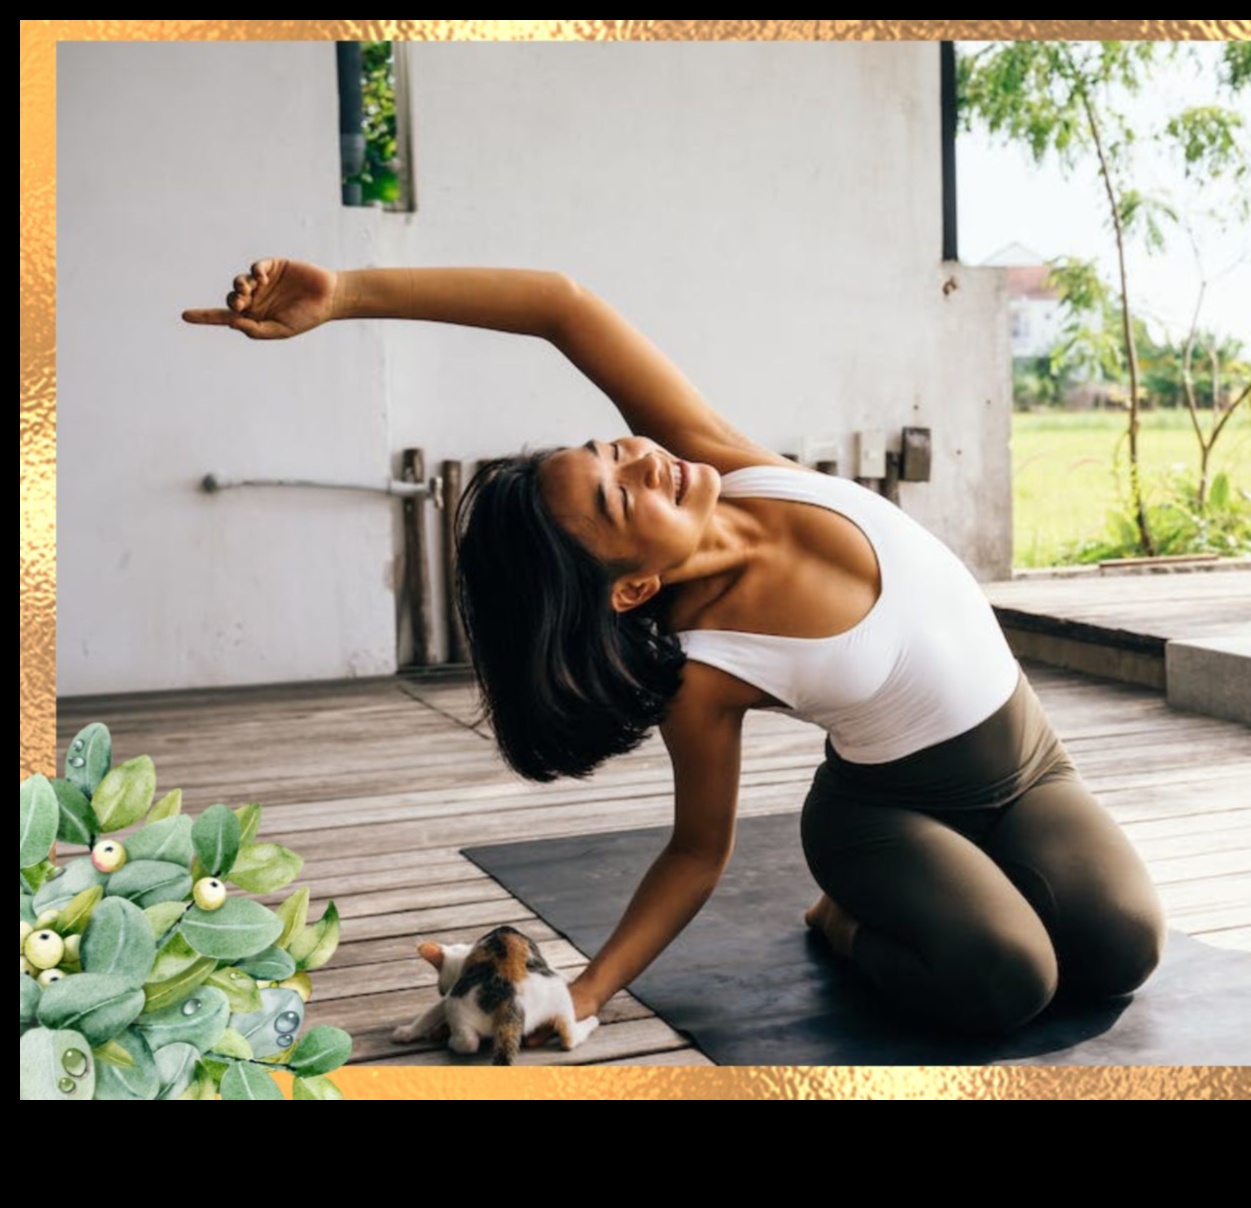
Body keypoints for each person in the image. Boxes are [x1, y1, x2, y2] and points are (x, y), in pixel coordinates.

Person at [185, 259, 1165, 1035]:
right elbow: (697, 852)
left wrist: (348, 293)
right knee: (1007, 980)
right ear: (633, 585)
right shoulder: (703, 669)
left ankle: (954, 897)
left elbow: (560, 306)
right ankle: (844, 917)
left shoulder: (727, 462)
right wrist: (586, 992)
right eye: (623, 495)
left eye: (611, 449)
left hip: (1034, 767)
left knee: (1120, 947)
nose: (642, 458)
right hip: (885, 816)